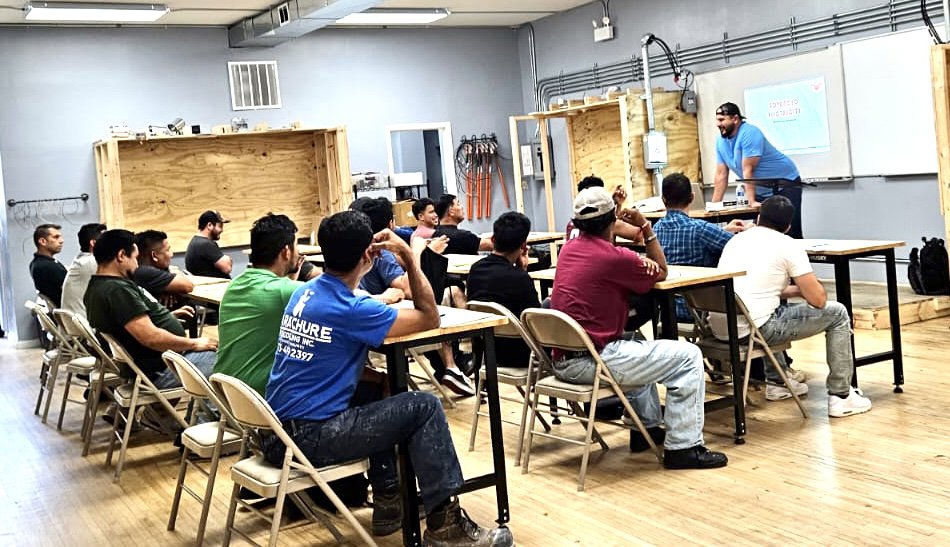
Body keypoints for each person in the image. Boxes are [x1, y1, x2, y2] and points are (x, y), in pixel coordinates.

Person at [262, 210, 513, 545]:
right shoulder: (352, 309)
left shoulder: (303, 293)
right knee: (423, 406)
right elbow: (430, 318)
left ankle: (390, 503)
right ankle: (446, 528)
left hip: (273, 430)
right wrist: (410, 255)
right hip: (306, 439)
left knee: (381, 388)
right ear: (369, 253)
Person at [551, 187, 728, 468]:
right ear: (613, 219)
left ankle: (645, 429)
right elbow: (662, 269)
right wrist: (645, 226)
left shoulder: (569, 249)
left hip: (562, 358)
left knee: (635, 340)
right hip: (591, 362)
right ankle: (683, 447)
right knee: (688, 357)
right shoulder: (615, 258)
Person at [709, 196, 872, 417]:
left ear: (758, 218)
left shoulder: (736, 240)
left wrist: (796, 290)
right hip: (755, 329)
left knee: (768, 308)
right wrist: (809, 289)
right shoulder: (787, 245)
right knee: (838, 313)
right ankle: (841, 396)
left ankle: (778, 383)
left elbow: (757, 290)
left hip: (722, 327)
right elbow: (819, 301)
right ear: (787, 226)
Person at [351, 197, 474, 396]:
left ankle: (450, 367)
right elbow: (408, 290)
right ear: (391, 224)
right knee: (443, 298)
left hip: (373, 321)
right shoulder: (381, 252)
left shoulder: (356, 254)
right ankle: (452, 365)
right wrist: (415, 253)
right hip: (387, 325)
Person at [84, 229, 217, 388]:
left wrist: (164, 317)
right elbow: (151, 338)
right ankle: (209, 413)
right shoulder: (117, 290)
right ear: (121, 256)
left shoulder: (97, 285)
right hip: (159, 372)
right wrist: (193, 343)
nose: (137, 264)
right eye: (134, 258)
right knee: (226, 360)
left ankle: (164, 413)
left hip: (151, 366)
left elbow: (128, 324)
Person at [214, 214, 305, 395]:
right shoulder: (284, 290)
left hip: (228, 396)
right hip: (260, 401)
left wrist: (287, 282)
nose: (298, 253)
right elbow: (344, 301)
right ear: (286, 251)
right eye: (296, 246)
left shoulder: (235, 284)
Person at [654, 172, 746, 322]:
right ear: (692, 197)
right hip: (699, 309)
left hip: (664, 308)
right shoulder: (700, 229)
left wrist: (723, 230)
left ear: (663, 200)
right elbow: (738, 246)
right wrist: (750, 232)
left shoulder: (655, 230)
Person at [712, 102, 804, 239]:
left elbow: (748, 170)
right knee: (762, 235)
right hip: (761, 189)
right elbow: (721, 174)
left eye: (721, 120)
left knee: (789, 232)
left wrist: (752, 201)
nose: (718, 124)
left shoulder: (749, 133)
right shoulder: (720, 141)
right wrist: (714, 206)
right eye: (717, 120)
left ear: (735, 119)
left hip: (786, 183)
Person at [466, 211, 539, 368]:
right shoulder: (519, 278)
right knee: (550, 305)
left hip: (489, 350)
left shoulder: (475, 269)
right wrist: (522, 271)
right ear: (524, 246)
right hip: (522, 354)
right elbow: (536, 321)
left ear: (493, 239)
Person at [564, 176, 642, 244]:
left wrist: (616, 204)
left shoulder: (571, 224)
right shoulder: (604, 223)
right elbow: (639, 235)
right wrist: (643, 222)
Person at [134, 230, 195, 305]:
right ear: (154, 255)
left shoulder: (142, 269)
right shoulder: (145, 272)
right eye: (167, 250)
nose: (171, 254)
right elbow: (188, 286)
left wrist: (167, 289)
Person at [60, 223, 107, 316]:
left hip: (77, 323)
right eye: (107, 240)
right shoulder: (92, 261)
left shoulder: (82, 260)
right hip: (86, 323)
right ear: (93, 243)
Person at [185, 210, 233, 278]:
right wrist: (228, 258)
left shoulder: (196, 241)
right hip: (217, 287)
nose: (222, 230)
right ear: (209, 225)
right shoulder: (206, 245)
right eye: (220, 226)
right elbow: (227, 268)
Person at [29, 223, 67, 306]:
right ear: (43, 241)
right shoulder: (47, 266)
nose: (61, 241)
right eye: (56, 237)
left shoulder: (36, 263)